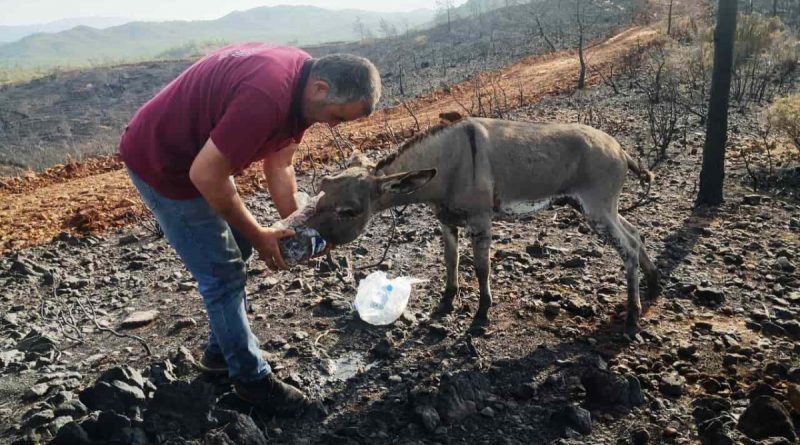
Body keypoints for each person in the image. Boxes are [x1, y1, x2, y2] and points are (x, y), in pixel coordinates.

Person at [119, 43, 381, 416]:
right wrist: (260, 234)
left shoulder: (303, 87)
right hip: (163, 162)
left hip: (201, 160)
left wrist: (301, 227)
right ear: (321, 88)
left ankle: (219, 353)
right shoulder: (267, 96)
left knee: (236, 247)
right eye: (337, 116)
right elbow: (205, 174)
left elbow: (280, 167)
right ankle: (252, 382)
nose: (332, 125)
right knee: (223, 272)